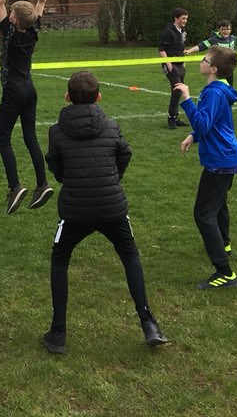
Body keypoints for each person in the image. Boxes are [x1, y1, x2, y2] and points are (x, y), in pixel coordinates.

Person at [41, 70, 168, 354]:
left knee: (61, 259)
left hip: (81, 208)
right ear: (98, 97)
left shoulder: (61, 131)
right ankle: (147, 324)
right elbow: (121, 154)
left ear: (67, 97)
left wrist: (107, 178)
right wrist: (109, 178)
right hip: (106, 207)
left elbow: (59, 165)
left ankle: (59, 333)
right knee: (129, 255)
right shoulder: (103, 127)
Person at [173, 47, 237, 289]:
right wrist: (193, 136)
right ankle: (224, 244)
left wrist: (186, 99)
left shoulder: (214, 92)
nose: (200, 61)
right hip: (226, 157)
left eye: (204, 59)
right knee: (218, 204)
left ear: (213, 68)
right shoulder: (218, 89)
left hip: (220, 160)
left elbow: (203, 123)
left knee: (203, 214)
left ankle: (225, 272)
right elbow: (213, 124)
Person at [0, 0, 53, 214]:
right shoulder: (33, 30)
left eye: (11, 12)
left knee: (3, 139)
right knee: (30, 137)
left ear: (14, 19)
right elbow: (42, 0)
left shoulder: (9, 33)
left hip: (13, 92)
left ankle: (15, 187)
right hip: (30, 90)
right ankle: (42, 183)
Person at [185, 20, 237, 87]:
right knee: (216, 87)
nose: (225, 31)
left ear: (230, 30)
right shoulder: (213, 40)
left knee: (229, 88)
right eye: (223, 29)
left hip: (229, 69)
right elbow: (201, 46)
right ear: (219, 30)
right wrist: (189, 51)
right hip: (217, 70)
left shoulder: (234, 39)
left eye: (227, 29)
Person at [159, 7, 190, 129]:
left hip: (180, 64)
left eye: (186, 18)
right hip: (170, 64)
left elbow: (181, 48)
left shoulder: (182, 31)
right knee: (177, 90)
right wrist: (169, 64)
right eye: (183, 18)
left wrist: (183, 62)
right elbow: (162, 50)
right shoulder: (168, 31)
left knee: (179, 90)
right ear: (176, 18)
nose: (185, 21)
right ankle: (171, 118)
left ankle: (176, 117)